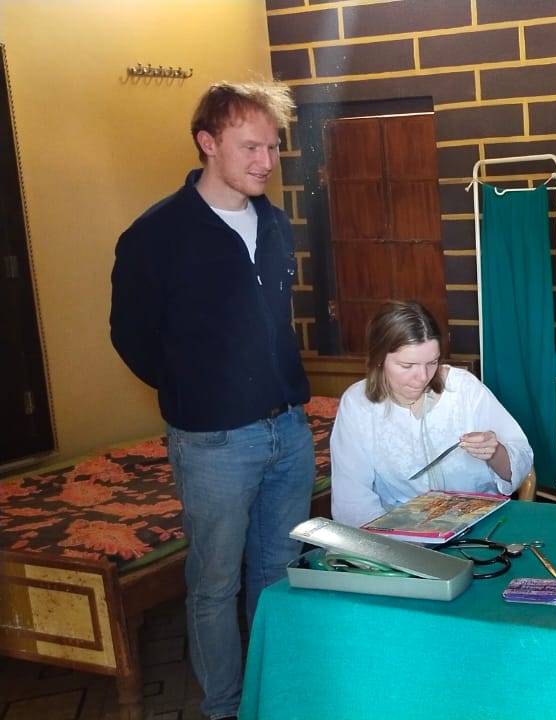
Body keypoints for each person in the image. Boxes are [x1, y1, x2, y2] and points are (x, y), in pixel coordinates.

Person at [110, 81, 312, 720]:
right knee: (215, 584)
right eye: (250, 146)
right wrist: (197, 393)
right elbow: (132, 337)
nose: (266, 161)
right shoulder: (157, 234)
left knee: (278, 573)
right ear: (208, 142)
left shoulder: (275, 223)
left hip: (289, 430)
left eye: (273, 147)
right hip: (214, 442)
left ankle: (272, 698)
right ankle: (223, 708)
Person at [329, 300, 534, 527]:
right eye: (407, 365)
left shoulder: (463, 389)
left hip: (478, 524)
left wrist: (494, 453)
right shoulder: (357, 404)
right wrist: (394, 541)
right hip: (396, 532)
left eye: (432, 362)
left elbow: (521, 463)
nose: (423, 377)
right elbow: (352, 501)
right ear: (379, 359)